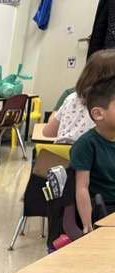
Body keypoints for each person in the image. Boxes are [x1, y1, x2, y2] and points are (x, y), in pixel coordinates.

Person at [43, 49, 115, 144]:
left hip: (58, 156)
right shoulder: (107, 107)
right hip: (90, 156)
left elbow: (47, 132)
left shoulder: (71, 98)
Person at [72, 76, 115, 233]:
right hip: (104, 210)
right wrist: (87, 225)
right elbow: (82, 187)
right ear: (98, 114)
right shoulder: (86, 144)